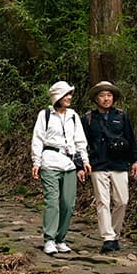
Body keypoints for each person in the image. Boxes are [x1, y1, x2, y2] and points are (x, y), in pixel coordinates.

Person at [80, 81, 137, 253]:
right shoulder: (88, 118)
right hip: (98, 164)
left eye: (109, 95)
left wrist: (135, 161)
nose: (106, 99)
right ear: (96, 99)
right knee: (103, 201)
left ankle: (114, 233)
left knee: (122, 200)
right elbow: (81, 143)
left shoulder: (121, 116)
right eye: (102, 95)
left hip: (119, 164)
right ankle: (108, 237)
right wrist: (81, 164)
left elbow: (130, 138)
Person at [30, 81, 89, 254]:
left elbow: (80, 140)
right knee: (52, 203)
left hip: (69, 164)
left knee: (68, 204)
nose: (69, 97)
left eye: (70, 94)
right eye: (66, 94)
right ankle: (49, 239)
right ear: (57, 97)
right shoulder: (45, 115)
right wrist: (36, 162)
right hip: (50, 162)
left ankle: (60, 239)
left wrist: (84, 161)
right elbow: (38, 138)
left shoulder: (73, 116)